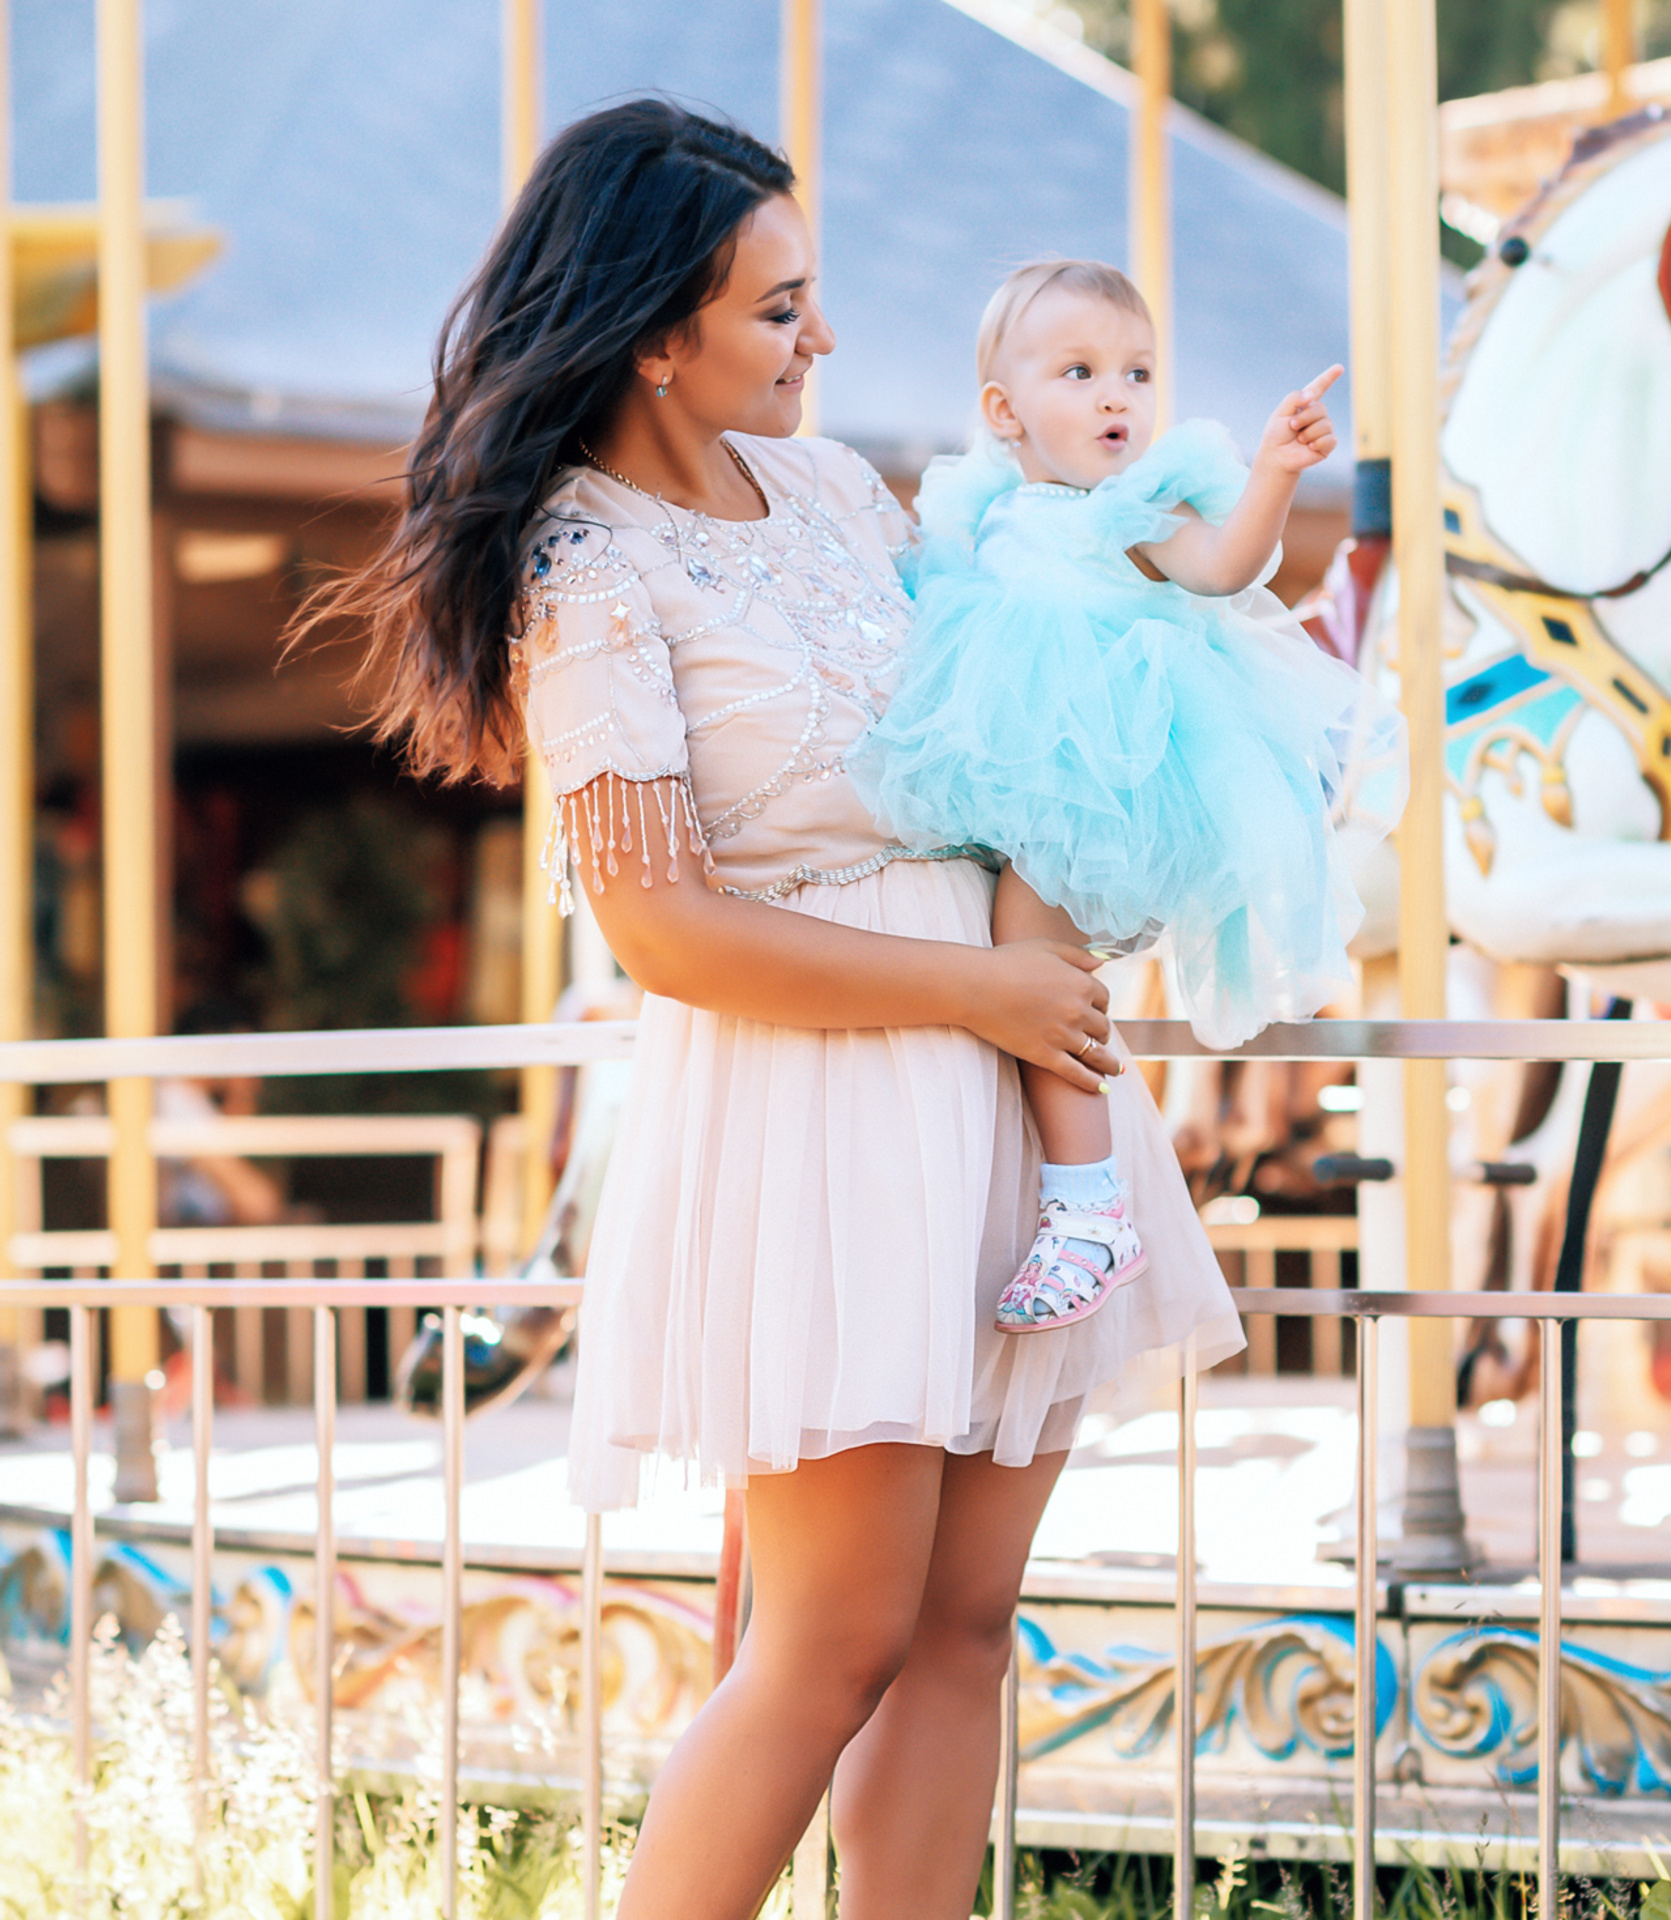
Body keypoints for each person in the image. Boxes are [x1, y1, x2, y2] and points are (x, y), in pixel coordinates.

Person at [310, 101, 1240, 1920]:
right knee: (832, 1637)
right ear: (660, 331)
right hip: (824, 1100)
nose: (826, 341)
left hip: (1003, 1077)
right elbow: (662, 924)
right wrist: (983, 983)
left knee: (968, 1621)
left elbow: (996, 698)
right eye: (782, 310)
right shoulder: (590, 571)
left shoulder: (831, 487)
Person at [850, 261, 1406, 1337]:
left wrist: (1276, 475)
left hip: (1107, 769)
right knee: (999, 946)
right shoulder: (985, 510)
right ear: (1005, 413)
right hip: (1013, 760)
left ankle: (1088, 1207)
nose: (1118, 396)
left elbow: (1222, 570)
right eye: (1081, 371)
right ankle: (1052, 1192)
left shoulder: (1132, 508)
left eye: (1137, 372)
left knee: (1032, 957)